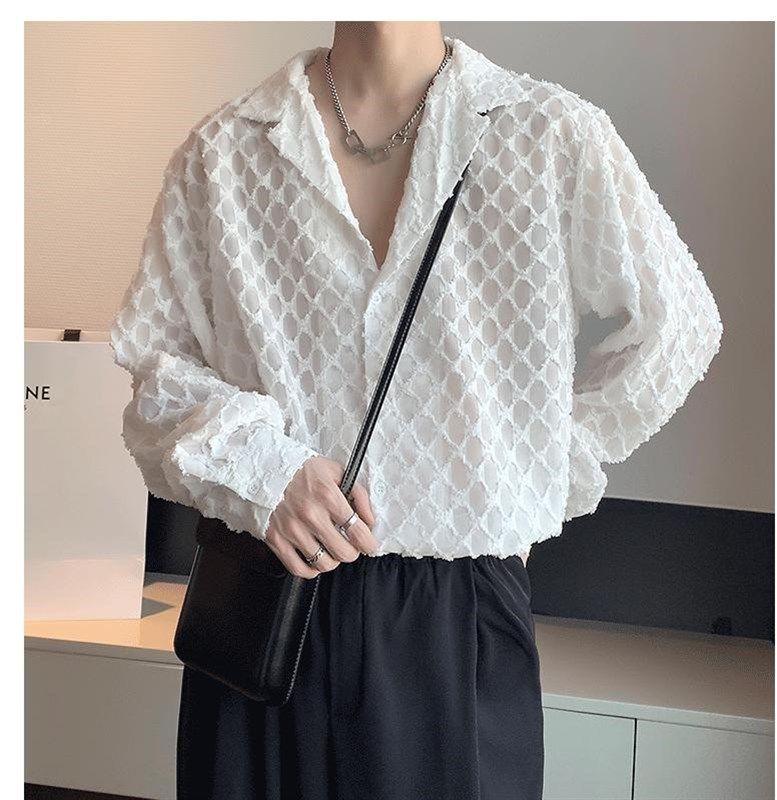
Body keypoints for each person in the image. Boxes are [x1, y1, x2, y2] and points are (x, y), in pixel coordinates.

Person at [109, 21, 723, 800]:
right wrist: (268, 471)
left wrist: (530, 469)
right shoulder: (225, 152)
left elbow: (677, 330)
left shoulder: (549, 138)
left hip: (453, 618)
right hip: (266, 604)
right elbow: (157, 372)